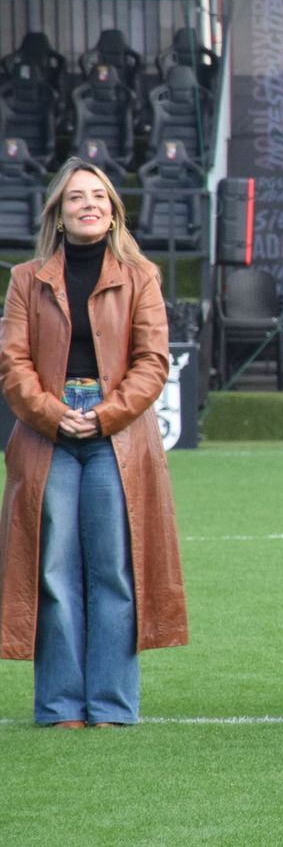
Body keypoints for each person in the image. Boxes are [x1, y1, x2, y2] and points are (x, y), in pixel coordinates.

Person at [0, 158, 187, 727]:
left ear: (113, 212)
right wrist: (56, 415)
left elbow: (152, 364)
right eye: (78, 197)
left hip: (119, 437)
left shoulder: (142, 277)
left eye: (100, 197)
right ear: (58, 213)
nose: (90, 205)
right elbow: (13, 364)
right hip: (45, 432)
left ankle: (110, 705)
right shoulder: (26, 279)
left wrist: (104, 416)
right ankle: (60, 706)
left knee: (113, 570)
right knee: (52, 570)